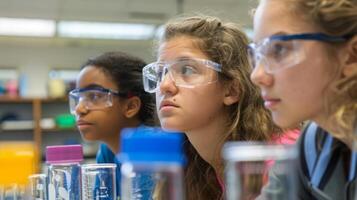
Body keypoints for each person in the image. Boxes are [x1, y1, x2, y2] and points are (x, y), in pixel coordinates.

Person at [142, 15, 297, 200]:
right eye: (161, 73)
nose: (164, 85)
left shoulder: (281, 158)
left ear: (231, 90)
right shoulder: (196, 163)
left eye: (187, 70)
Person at [249, 0, 357, 199]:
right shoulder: (315, 140)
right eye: (257, 53)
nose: (256, 75)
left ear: (351, 56)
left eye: (279, 49)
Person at [69, 51, 156, 196]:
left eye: (95, 96)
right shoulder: (108, 150)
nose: (79, 109)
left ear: (130, 106)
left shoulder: (149, 147)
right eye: (78, 98)